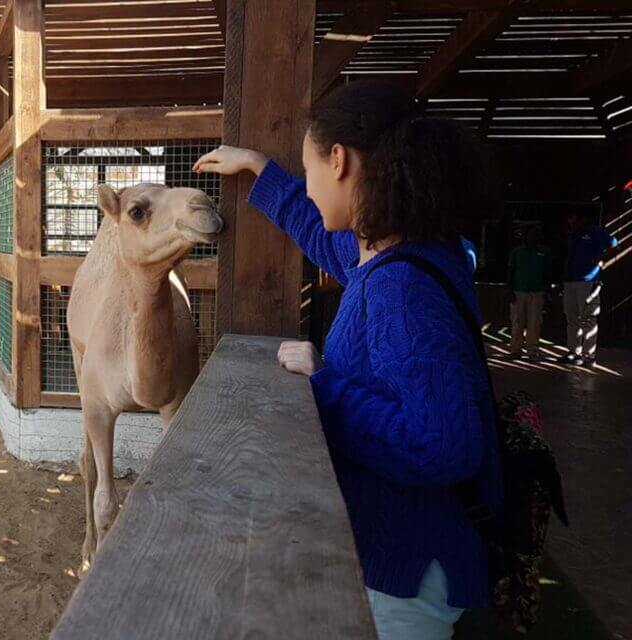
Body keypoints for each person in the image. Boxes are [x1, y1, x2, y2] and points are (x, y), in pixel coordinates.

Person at [194, 81, 501, 640]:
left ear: (339, 161)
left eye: (307, 170)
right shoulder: (406, 253)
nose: (308, 187)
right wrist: (261, 170)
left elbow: (444, 443)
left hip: (406, 572)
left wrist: (325, 384)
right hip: (404, 556)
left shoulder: (401, 290)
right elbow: (327, 237)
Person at [562, 211, 616, 367]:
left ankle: (589, 356)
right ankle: (573, 352)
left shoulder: (595, 232)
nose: (571, 223)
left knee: (588, 318)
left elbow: (614, 245)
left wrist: (601, 259)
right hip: (570, 281)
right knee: (572, 319)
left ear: (582, 219)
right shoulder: (573, 235)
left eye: (574, 220)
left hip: (588, 281)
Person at [507, 226, 549, 360]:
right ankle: (515, 350)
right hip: (518, 291)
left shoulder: (544, 251)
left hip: (537, 292)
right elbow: (510, 271)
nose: (532, 237)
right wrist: (510, 290)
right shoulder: (517, 252)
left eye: (535, 234)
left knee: (534, 323)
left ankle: (532, 351)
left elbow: (547, 273)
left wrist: (548, 292)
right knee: (517, 322)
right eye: (529, 234)